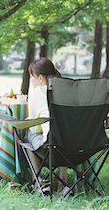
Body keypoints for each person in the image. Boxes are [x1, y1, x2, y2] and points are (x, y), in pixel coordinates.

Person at [25, 57, 69, 195]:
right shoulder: (68, 89)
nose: (31, 81)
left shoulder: (39, 91)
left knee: (28, 135)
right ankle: (63, 179)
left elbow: (35, 127)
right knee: (64, 134)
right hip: (79, 147)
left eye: (32, 77)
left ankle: (38, 181)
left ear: (40, 77)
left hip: (51, 149)